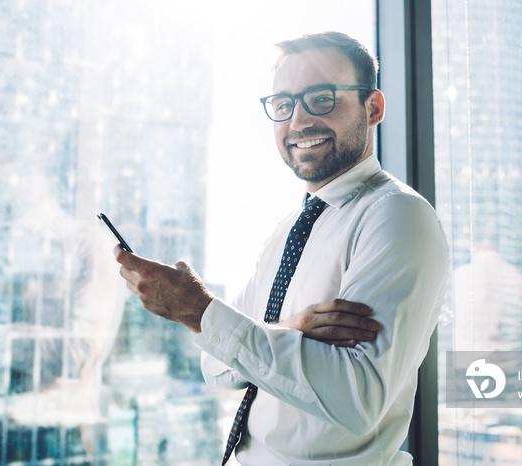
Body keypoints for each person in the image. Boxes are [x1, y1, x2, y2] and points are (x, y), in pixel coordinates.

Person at [115, 32, 448, 466]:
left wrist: (202, 313)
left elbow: (358, 397)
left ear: (374, 109)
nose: (299, 121)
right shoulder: (287, 231)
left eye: (322, 98)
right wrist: (289, 329)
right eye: (284, 104)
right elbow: (215, 369)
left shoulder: (398, 216)